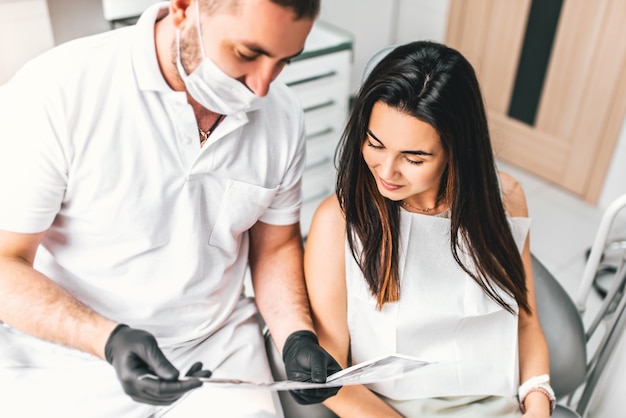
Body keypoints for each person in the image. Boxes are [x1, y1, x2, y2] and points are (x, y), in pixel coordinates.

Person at [0, 0, 341, 416]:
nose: (262, 87)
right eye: (247, 54)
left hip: (216, 352)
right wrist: (106, 339)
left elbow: (274, 247)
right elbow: (5, 262)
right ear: (183, 8)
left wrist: (295, 334)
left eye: (284, 60)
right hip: (72, 356)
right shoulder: (58, 90)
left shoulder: (282, 115)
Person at [304, 41, 554, 417]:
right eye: (375, 144)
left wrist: (537, 401)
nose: (386, 172)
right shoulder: (337, 222)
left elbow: (525, 323)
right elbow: (332, 378)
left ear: (456, 149)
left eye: (414, 157)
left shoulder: (505, 200)